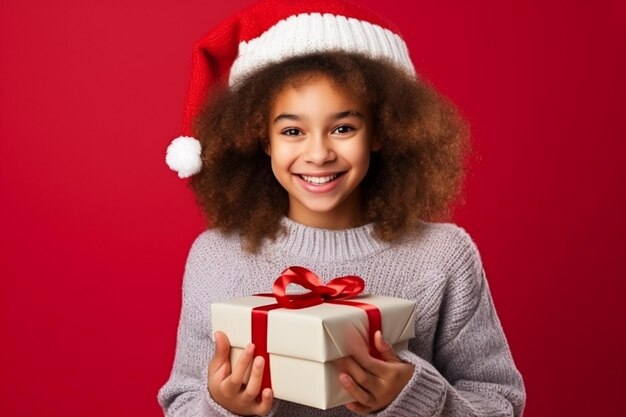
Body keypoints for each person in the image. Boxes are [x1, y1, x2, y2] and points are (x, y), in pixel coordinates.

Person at [158, 0, 526, 416]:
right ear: (262, 140)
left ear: (382, 131)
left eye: (343, 128)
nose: (318, 153)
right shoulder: (216, 256)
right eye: (293, 130)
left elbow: (500, 404)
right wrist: (221, 407)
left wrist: (416, 396)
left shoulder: (443, 256)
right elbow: (181, 401)